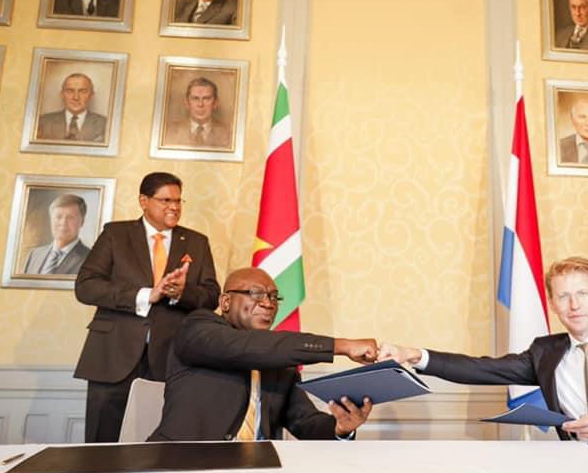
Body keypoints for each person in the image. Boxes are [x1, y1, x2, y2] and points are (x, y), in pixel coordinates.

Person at [381, 256, 588, 443]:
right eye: (563, 297)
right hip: (581, 470)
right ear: (553, 305)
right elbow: (481, 368)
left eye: (582, 294)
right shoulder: (545, 353)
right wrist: (415, 355)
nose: (574, 305)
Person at [150, 267, 377, 441]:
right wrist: (341, 346)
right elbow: (245, 347)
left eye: (274, 297)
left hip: (256, 472)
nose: (268, 304)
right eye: (256, 294)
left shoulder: (280, 361)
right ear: (226, 302)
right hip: (184, 466)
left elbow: (304, 421)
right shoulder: (196, 328)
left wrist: (340, 428)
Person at [74, 172, 220, 443]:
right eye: (166, 200)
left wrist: (181, 293)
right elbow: (86, 286)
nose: (174, 207)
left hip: (171, 358)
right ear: (144, 201)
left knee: (157, 444)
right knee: (101, 445)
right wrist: (145, 295)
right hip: (113, 355)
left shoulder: (197, 242)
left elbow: (212, 296)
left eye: (178, 201)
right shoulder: (115, 234)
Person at [23, 194, 92, 275]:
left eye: (70, 217)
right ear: (51, 219)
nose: (63, 223)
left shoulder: (91, 259)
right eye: (58, 217)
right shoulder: (35, 254)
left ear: (82, 221)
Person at [35, 73, 107, 142]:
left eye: (82, 91)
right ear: (62, 94)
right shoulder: (43, 122)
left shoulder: (105, 124)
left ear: (91, 95)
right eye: (70, 91)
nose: (76, 97)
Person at [163, 77, 231, 147]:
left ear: (216, 103)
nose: (200, 104)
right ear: (187, 103)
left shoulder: (229, 134)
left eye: (206, 98)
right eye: (195, 98)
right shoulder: (169, 131)